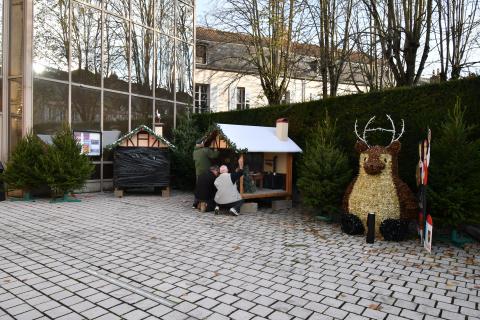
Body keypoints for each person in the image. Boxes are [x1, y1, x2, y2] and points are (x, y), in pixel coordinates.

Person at [192, 140, 219, 208]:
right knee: (209, 187)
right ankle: (208, 202)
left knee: (198, 187)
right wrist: (216, 150)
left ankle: (195, 203)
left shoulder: (194, 152)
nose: (203, 144)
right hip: (206, 172)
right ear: (201, 144)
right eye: (203, 143)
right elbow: (214, 155)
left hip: (198, 172)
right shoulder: (205, 150)